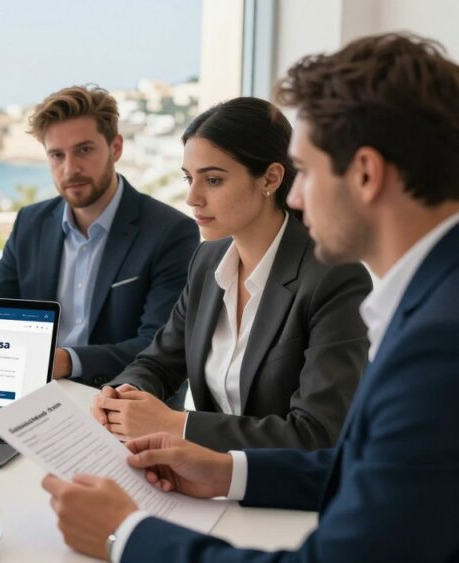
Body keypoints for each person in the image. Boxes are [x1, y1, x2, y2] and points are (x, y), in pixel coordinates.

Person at [43, 32, 459, 562]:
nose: (299, 196)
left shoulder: (438, 343)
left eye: (304, 171)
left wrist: (123, 536)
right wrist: (225, 470)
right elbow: (368, 465)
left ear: (366, 174)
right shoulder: (430, 300)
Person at [92, 97, 371, 451]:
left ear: (270, 178)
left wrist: (178, 425)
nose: (193, 197)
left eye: (213, 180)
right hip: (202, 481)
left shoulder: (334, 278)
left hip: (281, 493)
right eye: (189, 178)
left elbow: (316, 435)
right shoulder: (208, 261)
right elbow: (159, 362)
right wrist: (123, 394)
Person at [0, 85, 200, 392]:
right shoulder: (31, 222)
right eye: (57, 155)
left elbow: (160, 346)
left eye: (84, 150)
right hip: (37, 393)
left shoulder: (170, 232)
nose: (71, 169)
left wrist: (68, 361)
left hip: (123, 400)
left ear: (116, 147)